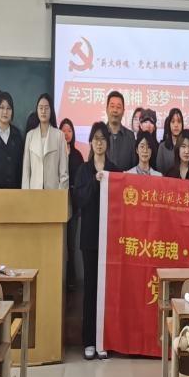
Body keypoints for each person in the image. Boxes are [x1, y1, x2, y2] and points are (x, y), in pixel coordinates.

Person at [74, 122, 119, 360]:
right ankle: (89, 340)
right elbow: (79, 199)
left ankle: (105, 340)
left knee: (108, 290)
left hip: (110, 238)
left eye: (103, 139)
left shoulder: (115, 169)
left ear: (107, 143)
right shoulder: (83, 170)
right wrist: (95, 181)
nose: (99, 143)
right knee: (91, 288)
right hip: (90, 237)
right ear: (91, 142)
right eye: (96, 139)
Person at [23, 93, 69, 190]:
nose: (43, 111)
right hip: (34, 191)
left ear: (51, 110)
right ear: (37, 110)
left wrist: (61, 194)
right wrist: (26, 194)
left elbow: (63, 172)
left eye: (46, 108)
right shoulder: (30, 135)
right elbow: (26, 171)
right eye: (40, 108)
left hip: (53, 191)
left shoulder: (59, 135)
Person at [61, 117, 83, 291]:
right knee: (59, 244)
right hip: (57, 205)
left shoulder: (77, 155)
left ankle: (71, 279)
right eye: (63, 130)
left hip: (73, 206)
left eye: (69, 130)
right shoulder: (56, 153)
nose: (67, 133)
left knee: (71, 245)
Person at [104, 91, 136, 171]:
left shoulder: (130, 136)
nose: (115, 110)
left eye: (118, 107)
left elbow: (134, 167)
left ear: (123, 111)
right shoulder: (99, 134)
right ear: (107, 109)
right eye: (112, 106)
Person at [156, 108, 184, 175]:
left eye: (179, 121)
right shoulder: (162, 147)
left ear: (182, 124)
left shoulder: (186, 146)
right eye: (173, 121)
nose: (176, 125)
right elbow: (159, 172)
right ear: (169, 124)